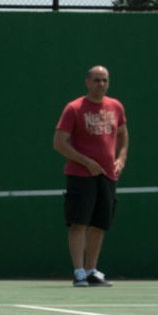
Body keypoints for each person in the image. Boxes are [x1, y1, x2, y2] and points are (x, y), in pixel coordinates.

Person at [52, 65, 128, 288]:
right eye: (96, 80)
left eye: (104, 80)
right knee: (79, 223)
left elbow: (123, 135)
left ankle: (91, 270)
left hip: (107, 176)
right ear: (87, 82)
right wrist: (86, 162)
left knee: (99, 224)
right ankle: (79, 272)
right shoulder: (74, 108)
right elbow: (59, 143)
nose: (101, 84)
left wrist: (121, 159)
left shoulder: (116, 107)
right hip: (80, 175)